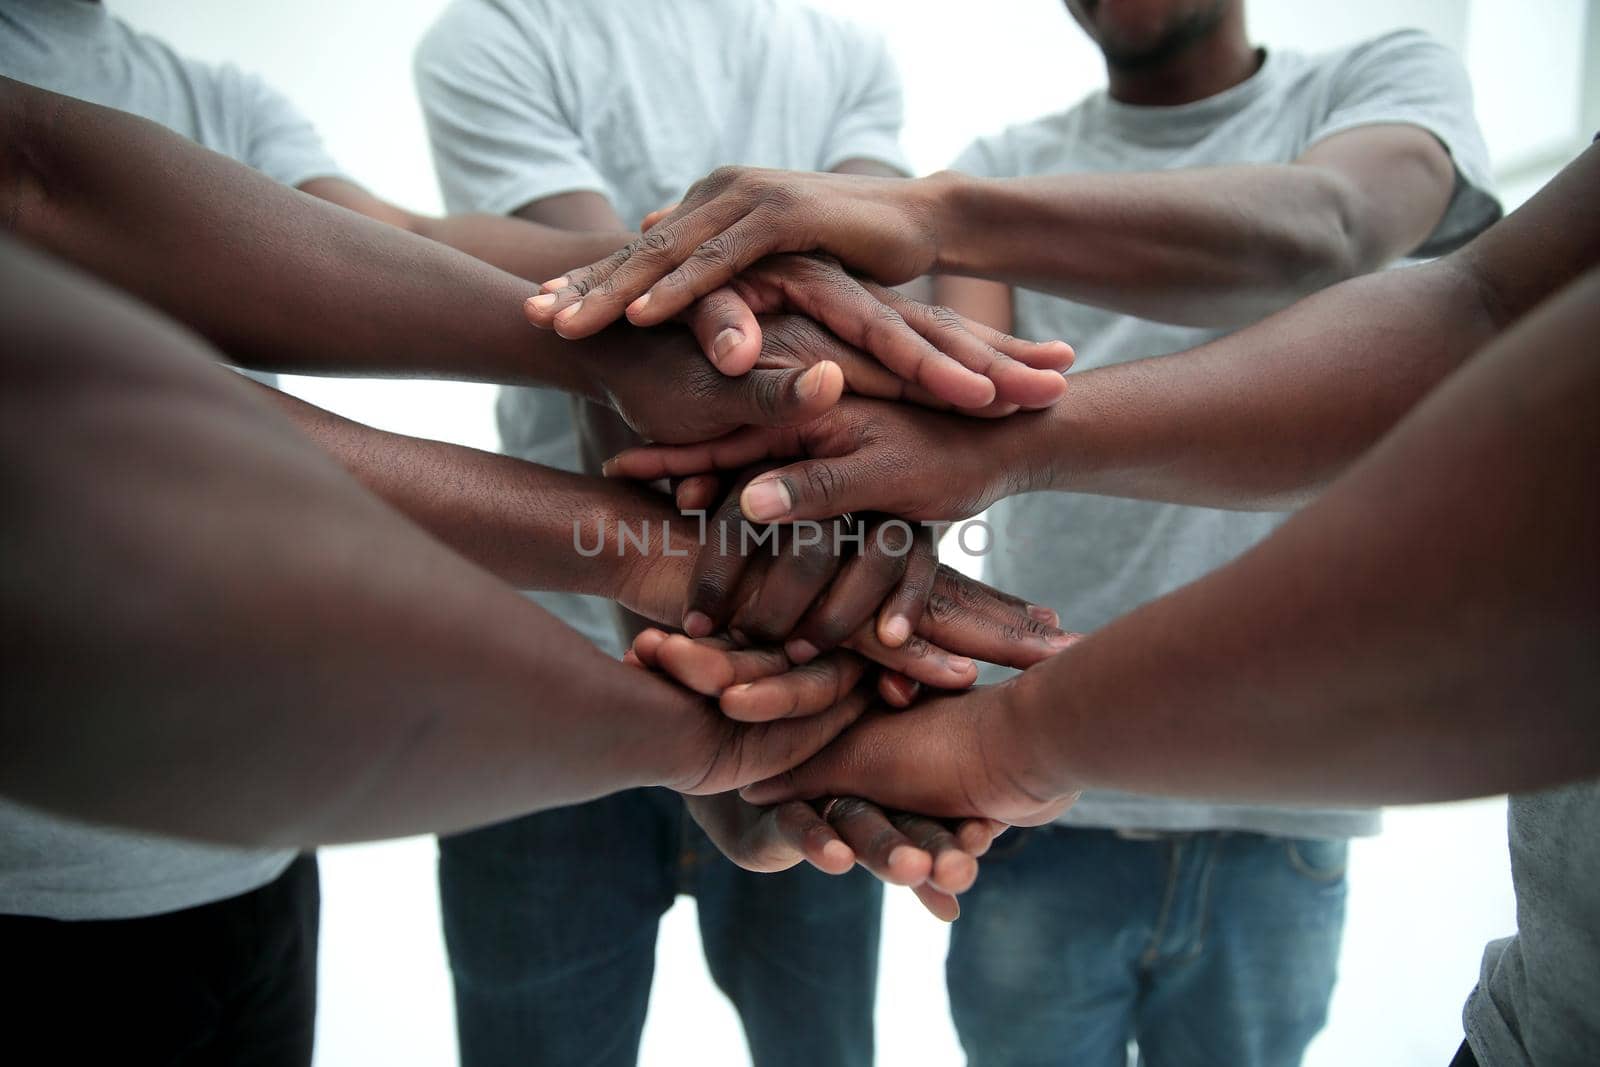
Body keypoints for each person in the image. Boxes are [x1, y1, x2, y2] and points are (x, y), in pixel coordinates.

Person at [0, 19, 1060, 1063]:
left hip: (255, 848)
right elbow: (78, 423)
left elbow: (372, 236)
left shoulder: (213, 95)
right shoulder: (497, 35)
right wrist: (657, 514)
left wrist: (650, 308)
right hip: (85, 848)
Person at [549, 3, 1498, 1057]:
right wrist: (853, 596)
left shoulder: (1372, 81)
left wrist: (936, 220)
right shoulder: (1006, 160)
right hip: (1016, 794)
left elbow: (1331, 223)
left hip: (1268, 787)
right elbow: (938, 418)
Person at [413, 4, 982, 1063]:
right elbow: (615, 304)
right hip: (552, 672)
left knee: (817, 1042)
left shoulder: (845, 52)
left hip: (807, 651)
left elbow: (846, 278)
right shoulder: (497, 35)